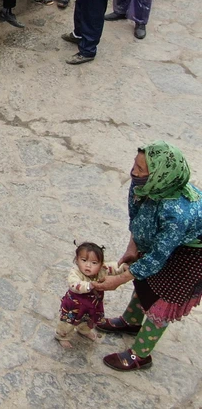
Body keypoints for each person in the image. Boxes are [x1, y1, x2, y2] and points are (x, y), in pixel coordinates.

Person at [94, 142, 202, 372]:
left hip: (192, 252)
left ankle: (141, 355)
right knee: (144, 281)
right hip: (166, 241)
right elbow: (136, 215)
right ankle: (131, 321)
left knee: (163, 299)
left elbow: (157, 258)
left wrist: (117, 280)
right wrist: (132, 246)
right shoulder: (146, 185)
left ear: (161, 175)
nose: (134, 172)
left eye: (141, 169)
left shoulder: (177, 214)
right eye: (135, 164)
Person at [55, 241, 127, 349]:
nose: (88, 265)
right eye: (84, 260)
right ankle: (62, 336)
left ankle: (84, 330)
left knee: (89, 320)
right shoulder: (75, 272)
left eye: (94, 263)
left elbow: (113, 267)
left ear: (101, 264)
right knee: (68, 323)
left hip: (93, 305)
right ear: (77, 260)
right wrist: (89, 285)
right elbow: (74, 285)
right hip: (74, 306)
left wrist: (122, 268)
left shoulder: (102, 270)